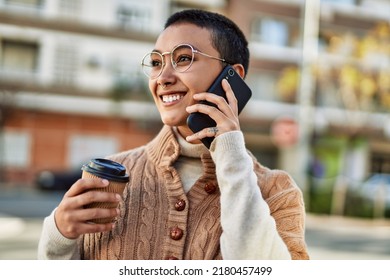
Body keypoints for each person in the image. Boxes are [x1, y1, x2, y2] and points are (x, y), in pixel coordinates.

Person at [38, 9, 309, 260]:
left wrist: (229, 151)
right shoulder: (112, 177)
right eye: (156, 62)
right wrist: (59, 237)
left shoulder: (277, 192)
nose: (163, 77)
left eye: (183, 58)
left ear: (232, 76)